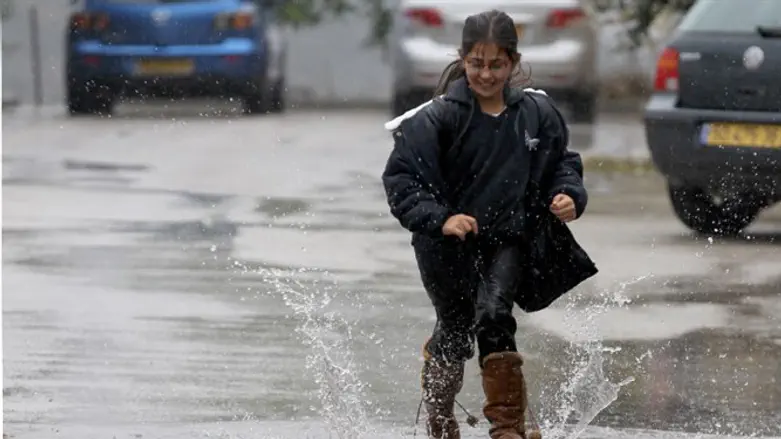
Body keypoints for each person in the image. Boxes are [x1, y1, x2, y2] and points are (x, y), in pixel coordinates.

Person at [380, 9, 598, 439]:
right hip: (444, 246)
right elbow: (401, 182)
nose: (486, 73)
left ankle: (507, 427)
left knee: (495, 315)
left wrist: (570, 195)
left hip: (509, 239)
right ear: (463, 59)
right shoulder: (436, 119)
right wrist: (441, 219)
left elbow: (563, 165)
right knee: (456, 328)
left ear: (513, 63)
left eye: (497, 64)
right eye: (477, 63)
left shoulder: (537, 113)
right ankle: (441, 418)